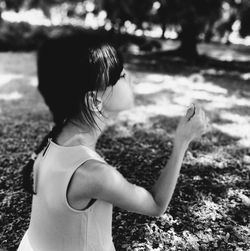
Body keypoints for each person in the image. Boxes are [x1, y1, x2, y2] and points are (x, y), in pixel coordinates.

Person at [18, 41, 208, 251]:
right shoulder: (95, 175)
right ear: (94, 101)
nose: (131, 78)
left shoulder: (52, 142)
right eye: (121, 76)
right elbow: (155, 205)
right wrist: (182, 141)